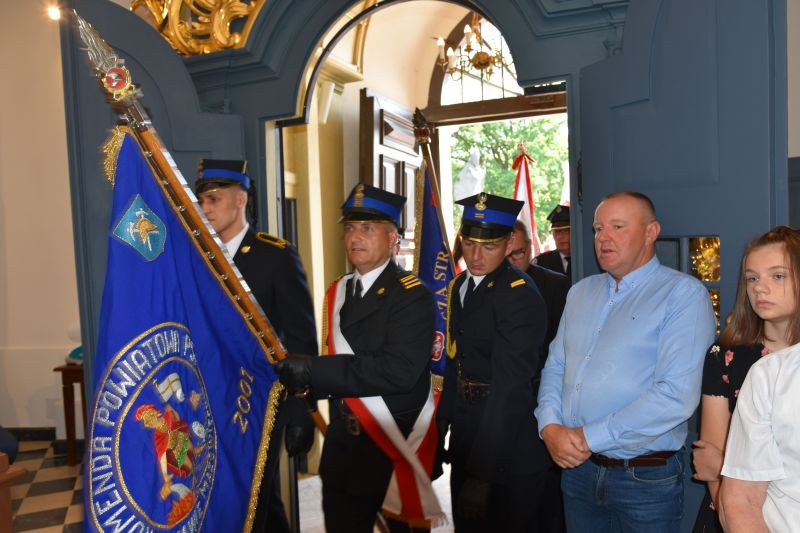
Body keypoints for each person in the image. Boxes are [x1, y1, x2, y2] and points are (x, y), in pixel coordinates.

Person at [535, 191, 716, 532]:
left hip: (644, 478)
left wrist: (587, 438)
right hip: (577, 472)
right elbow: (556, 366)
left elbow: (676, 395)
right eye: (598, 228)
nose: (603, 237)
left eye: (617, 227)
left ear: (651, 232)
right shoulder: (580, 292)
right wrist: (549, 426)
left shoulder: (683, 295)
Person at [276, 183, 441, 533]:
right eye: (350, 227)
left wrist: (314, 371)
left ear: (392, 238)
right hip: (342, 445)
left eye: (367, 228)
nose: (355, 236)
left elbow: (398, 371)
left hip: (392, 444)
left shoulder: (413, 296)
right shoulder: (338, 290)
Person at [194, 159, 317, 533]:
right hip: (208, 395)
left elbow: (301, 337)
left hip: (258, 397)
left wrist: (301, 411)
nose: (205, 208)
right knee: (221, 493)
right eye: (201, 201)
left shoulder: (275, 255)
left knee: (257, 493)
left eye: (214, 199)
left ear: (240, 199)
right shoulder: (195, 254)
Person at [436, 192, 551, 532]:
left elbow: (510, 391)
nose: (476, 255)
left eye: (489, 246)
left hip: (510, 448)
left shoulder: (518, 294)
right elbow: (456, 364)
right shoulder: (460, 286)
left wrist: (482, 475)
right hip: (469, 433)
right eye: (469, 243)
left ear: (508, 244)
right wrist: (439, 433)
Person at [692, 225, 800, 532]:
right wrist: (728, 509)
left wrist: (723, 463)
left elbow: (719, 463)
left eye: (777, 276)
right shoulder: (726, 354)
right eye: (752, 278)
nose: (760, 288)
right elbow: (710, 462)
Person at [507, 219, 570, 533]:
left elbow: (560, 351)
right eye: (506, 254)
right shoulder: (482, 286)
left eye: (518, 253)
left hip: (539, 400)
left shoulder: (555, 285)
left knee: (544, 500)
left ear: (530, 249)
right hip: (498, 410)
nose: (512, 261)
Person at [535, 204, 572, 280]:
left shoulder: (585, 259)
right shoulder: (541, 262)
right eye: (557, 231)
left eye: (566, 231)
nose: (560, 236)